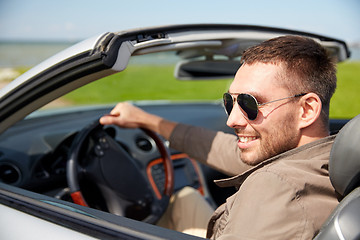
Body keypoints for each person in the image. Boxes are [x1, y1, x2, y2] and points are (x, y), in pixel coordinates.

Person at [100, 35, 339, 239]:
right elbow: (223, 149)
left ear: (307, 110)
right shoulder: (328, 157)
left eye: (250, 103)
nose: (232, 120)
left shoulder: (276, 186)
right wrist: (147, 120)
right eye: (230, 102)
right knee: (185, 197)